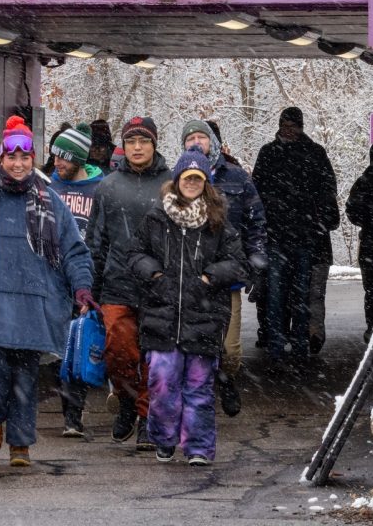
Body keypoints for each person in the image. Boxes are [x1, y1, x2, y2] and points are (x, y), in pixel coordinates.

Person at [0, 115, 95, 467]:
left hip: (31, 306)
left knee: (23, 378)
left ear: (32, 159)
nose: (18, 164)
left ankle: (20, 444)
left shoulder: (50, 201)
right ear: (1, 159)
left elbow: (74, 250)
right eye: (11, 157)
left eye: (25, 157)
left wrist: (82, 287)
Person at [127, 149, 248, 465]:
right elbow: (136, 254)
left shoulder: (218, 223)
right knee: (162, 383)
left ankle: (198, 447)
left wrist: (209, 277)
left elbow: (237, 263)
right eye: (187, 178)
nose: (192, 183)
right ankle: (164, 439)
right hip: (161, 314)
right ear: (177, 180)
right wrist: (154, 274)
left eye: (198, 178)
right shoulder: (156, 218)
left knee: (198, 389)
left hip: (204, 316)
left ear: (205, 182)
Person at [85, 116, 172, 450]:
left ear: (154, 144)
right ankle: (125, 399)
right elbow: (96, 240)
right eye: (132, 141)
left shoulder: (170, 183)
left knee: (156, 358)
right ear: (124, 145)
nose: (137, 147)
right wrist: (88, 286)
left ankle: (148, 418)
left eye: (144, 141)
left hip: (158, 286)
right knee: (120, 352)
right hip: (117, 284)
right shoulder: (108, 186)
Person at [180, 119, 267, 416]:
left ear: (213, 142)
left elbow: (256, 222)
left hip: (227, 277)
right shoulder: (176, 180)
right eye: (190, 137)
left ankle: (226, 378)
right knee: (189, 345)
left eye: (200, 138)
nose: (195, 142)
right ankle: (199, 398)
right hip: (188, 278)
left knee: (229, 349)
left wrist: (256, 260)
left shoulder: (237, 178)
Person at [252, 107, 339, 364]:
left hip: (301, 237)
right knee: (278, 295)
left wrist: (313, 219)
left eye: (293, 125)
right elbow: (257, 192)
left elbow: (327, 191)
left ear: (300, 127)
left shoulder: (312, 153)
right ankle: (278, 344)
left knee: (299, 295)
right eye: (285, 125)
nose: (289, 130)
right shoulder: (271, 153)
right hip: (281, 236)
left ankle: (297, 344)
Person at [48, 122, 104, 437]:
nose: (57, 163)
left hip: (88, 279)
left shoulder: (101, 189)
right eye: (56, 156)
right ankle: (70, 415)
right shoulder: (49, 188)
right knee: (60, 351)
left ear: (79, 159)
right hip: (55, 280)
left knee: (82, 347)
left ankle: (75, 415)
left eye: (65, 158)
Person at [346, 143, 373, 342]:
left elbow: (352, 210)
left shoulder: (365, 180)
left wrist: (368, 222)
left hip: (370, 240)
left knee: (372, 289)